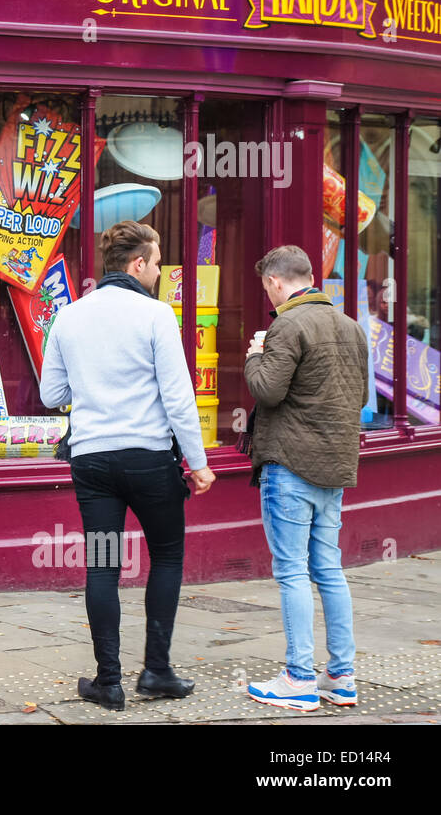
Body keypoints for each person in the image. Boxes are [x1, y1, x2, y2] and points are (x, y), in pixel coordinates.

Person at [40, 220, 215, 711]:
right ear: (138, 265)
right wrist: (198, 464)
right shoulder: (156, 315)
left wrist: (95, 386)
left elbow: (51, 394)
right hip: (149, 463)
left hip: (93, 464)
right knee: (167, 558)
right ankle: (156, 672)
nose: (159, 272)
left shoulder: (69, 316)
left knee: (102, 567)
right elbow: (179, 399)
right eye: (157, 263)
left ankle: (108, 682)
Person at [243, 245, 369, 712]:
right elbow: (357, 401)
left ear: (276, 282)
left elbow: (267, 390)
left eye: (267, 289)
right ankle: (341, 677)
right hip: (334, 467)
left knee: (293, 571)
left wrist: (256, 354)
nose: (269, 297)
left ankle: (298, 679)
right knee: (329, 570)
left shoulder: (287, 325)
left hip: (290, 467)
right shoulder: (351, 327)